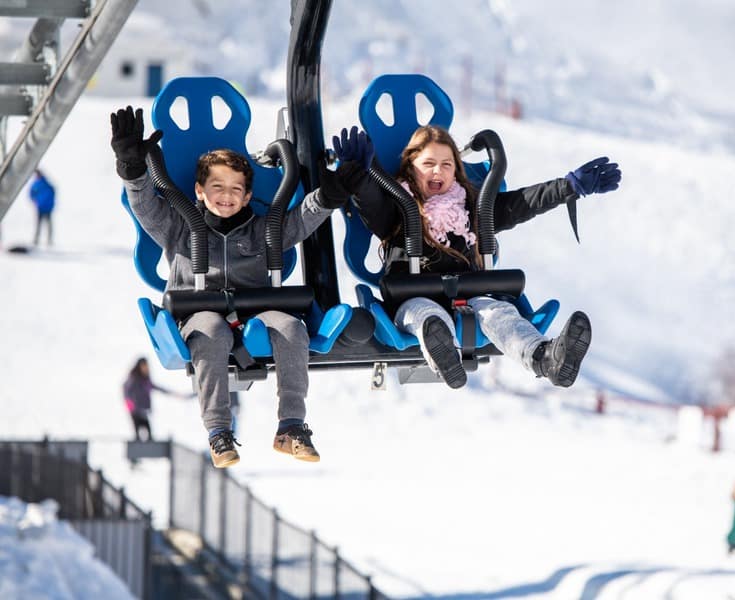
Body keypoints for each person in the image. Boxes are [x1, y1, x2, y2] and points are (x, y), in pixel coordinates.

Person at [110, 106, 350, 468]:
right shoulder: (180, 227)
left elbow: (298, 224)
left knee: (290, 328)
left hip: (256, 307)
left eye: (236, 189)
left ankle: (291, 426)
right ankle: (219, 431)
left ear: (247, 193)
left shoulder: (261, 228)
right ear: (199, 191)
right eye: (217, 187)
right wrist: (131, 167)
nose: (227, 196)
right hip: (198, 311)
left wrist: (326, 199)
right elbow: (145, 208)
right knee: (211, 333)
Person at [334, 125, 621, 389]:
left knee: (498, 313)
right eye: (428, 164)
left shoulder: (472, 207)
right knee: (426, 316)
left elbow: (521, 204)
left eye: (447, 164)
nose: (438, 171)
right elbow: (370, 202)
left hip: (468, 296)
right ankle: (443, 353)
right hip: (411, 296)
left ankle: (544, 357)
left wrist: (569, 186)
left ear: (456, 170)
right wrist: (357, 172)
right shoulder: (397, 206)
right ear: (411, 168)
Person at [122, 356, 188, 441]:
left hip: (144, 410)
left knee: (149, 434)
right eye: (144, 366)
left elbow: (157, 388)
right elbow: (126, 390)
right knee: (137, 434)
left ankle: (149, 448)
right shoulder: (133, 379)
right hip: (136, 411)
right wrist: (131, 405)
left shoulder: (145, 380)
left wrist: (175, 394)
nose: (146, 368)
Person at [29, 169, 55, 246]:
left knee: (48, 224)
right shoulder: (36, 184)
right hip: (40, 207)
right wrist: (35, 201)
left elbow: (52, 192)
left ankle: (49, 240)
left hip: (47, 207)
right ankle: (36, 240)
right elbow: (31, 194)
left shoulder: (46, 183)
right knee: (38, 224)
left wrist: (51, 203)